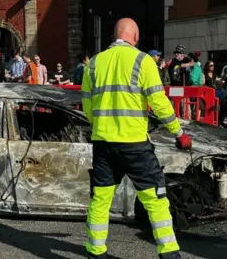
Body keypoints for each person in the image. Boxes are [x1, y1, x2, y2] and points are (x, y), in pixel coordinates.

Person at [81, 17, 191, 259]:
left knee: (100, 200)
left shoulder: (94, 63)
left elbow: (87, 106)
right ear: (136, 38)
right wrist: (179, 133)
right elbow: (159, 103)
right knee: (155, 199)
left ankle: (95, 252)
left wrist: (103, 126)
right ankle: (170, 254)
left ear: (113, 36)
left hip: (103, 145)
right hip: (134, 145)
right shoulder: (143, 61)